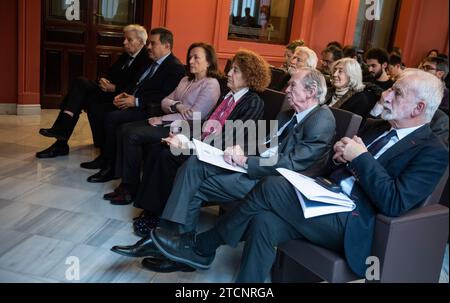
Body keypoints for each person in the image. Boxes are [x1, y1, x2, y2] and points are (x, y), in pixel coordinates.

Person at [150, 68, 449, 282]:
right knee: (265, 222)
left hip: (355, 222)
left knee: (272, 187)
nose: (385, 95)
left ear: (419, 107)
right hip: (325, 196)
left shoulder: (433, 151)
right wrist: (341, 157)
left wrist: (361, 159)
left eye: (396, 92)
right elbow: (334, 167)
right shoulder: (379, 127)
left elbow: (395, 202)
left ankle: (204, 247)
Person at [111, 68, 337, 274]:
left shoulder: (321, 119)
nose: (286, 89)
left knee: (195, 183)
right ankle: (174, 243)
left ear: (311, 91)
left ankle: (172, 245)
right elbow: (265, 142)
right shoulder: (288, 114)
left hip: (273, 184)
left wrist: (246, 161)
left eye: (293, 85)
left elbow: (292, 164)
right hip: (255, 168)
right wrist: (240, 149)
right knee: (194, 165)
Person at [111, 49, 270, 239]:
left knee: (167, 156)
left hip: (220, 155)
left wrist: (189, 145)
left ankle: (156, 215)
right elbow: (207, 124)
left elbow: (230, 138)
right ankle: (151, 210)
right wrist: (182, 135)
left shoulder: (253, 102)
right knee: (158, 147)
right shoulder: (228, 96)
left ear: (249, 76)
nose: (228, 73)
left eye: (235, 70)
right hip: (205, 145)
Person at [102, 42, 221, 202]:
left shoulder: (211, 84)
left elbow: (194, 116)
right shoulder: (186, 80)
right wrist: (178, 105)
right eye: (190, 57)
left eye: (196, 58)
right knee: (123, 129)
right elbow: (165, 101)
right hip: (171, 123)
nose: (191, 61)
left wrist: (162, 119)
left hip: (185, 130)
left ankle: (130, 189)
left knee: (131, 134)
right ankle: (126, 184)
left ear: (208, 62)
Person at [82, 27, 186, 183]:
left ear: (167, 46)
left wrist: (135, 101)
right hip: (133, 102)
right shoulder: (150, 62)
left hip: (149, 110)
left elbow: (163, 96)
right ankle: (104, 157)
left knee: (112, 117)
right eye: (149, 43)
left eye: (153, 43)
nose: (148, 47)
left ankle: (110, 167)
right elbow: (135, 83)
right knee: (99, 108)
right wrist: (123, 94)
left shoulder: (175, 67)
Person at [36, 24, 151, 158]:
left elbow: (136, 84)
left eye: (129, 40)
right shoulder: (126, 55)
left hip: (120, 96)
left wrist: (115, 88)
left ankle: (61, 138)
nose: (124, 42)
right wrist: (103, 80)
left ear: (141, 41)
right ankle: (61, 137)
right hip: (108, 91)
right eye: (125, 39)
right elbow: (110, 73)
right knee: (80, 85)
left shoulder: (145, 59)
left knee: (81, 95)